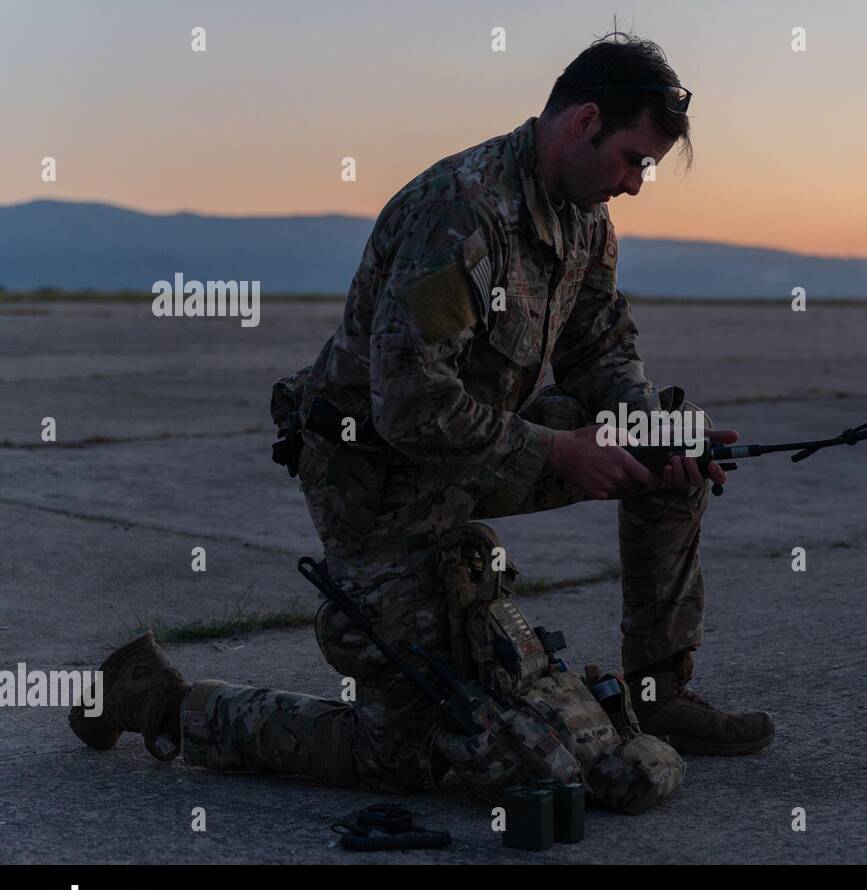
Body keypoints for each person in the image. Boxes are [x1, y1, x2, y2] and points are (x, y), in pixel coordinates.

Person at [70, 34, 774, 812]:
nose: (637, 184)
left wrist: (658, 434)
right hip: (378, 480)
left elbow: (601, 349)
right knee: (402, 758)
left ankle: (659, 692)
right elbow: (407, 405)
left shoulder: (584, 220)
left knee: (661, 445)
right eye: (634, 159)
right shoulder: (462, 213)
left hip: (479, 445)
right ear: (583, 123)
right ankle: (155, 698)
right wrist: (561, 451)